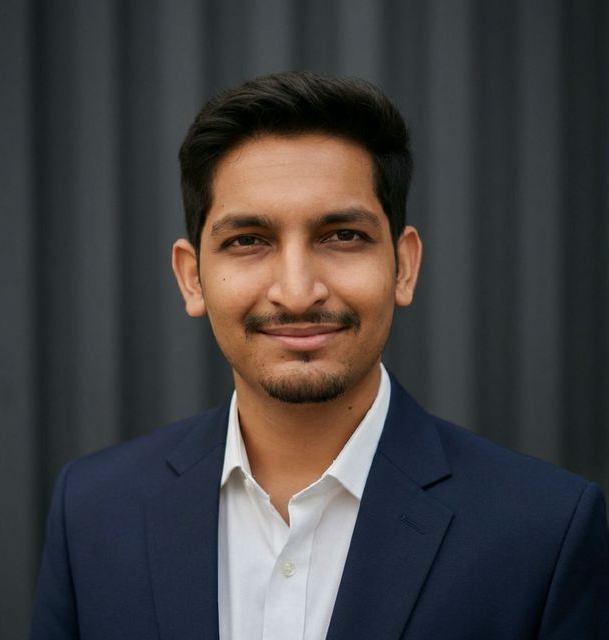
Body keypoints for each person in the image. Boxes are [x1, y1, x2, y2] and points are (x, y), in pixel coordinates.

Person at [31, 71, 609, 640]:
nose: (297, 291)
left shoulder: (545, 531)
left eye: (342, 236)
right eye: (248, 241)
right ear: (192, 278)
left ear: (404, 266)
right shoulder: (92, 511)